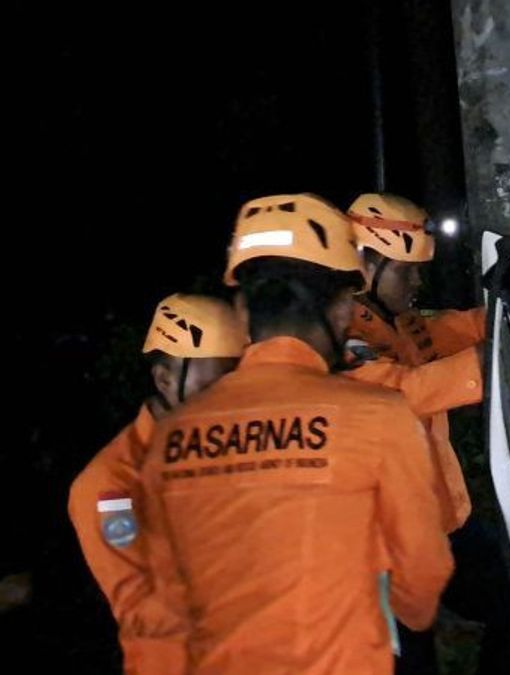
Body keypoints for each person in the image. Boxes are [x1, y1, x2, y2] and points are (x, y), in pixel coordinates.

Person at [139, 193, 452, 674]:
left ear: (242, 313)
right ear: (344, 309)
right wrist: (405, 615)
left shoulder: (172, 437)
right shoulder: (380, 418)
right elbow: (422, 573)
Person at [347, 192, 510, 675]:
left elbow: (458, 327)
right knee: (410, 659)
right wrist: (495, 363)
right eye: (405, 270)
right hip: (384, 539)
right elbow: (400, 393)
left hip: (445, 520)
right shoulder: (343, 337)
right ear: (366, 264)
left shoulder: (403, 325)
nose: (416, 281)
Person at [68, 293, 245, 674]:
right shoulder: (111, 483)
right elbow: (142, 608)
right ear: (164, 379)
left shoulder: (239, 452)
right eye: (215, 387)